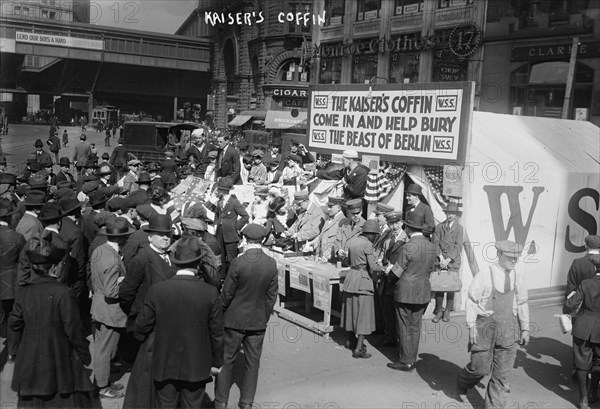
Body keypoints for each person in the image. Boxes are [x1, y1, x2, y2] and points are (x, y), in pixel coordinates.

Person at [132, 236, 224, 409]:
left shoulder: (157, 291)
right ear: (198, 264)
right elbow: (217, 333)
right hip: (197, 365)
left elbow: (141, 325)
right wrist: (216, 362)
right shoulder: (210, 293)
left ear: (175, 264)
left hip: (163, 364)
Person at [8, 242, 96, 408]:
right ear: (55, 267)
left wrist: (13, 351)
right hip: (59, 358)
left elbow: (14, 323)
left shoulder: (25, 292)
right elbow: (72, 328)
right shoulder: (64, 292)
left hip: (30, 360)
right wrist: (84, 353)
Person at [457, 240, 530, 407]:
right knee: (480, 369)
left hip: (508, 330)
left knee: (502, 377)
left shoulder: (518, 276)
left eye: (516, 258)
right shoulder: (485, 274)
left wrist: (525, 328)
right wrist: (471, 326)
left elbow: (522, 302)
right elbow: (472, 301)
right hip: (484, 329)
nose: (513, 260)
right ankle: (463, 381)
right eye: (510, 257)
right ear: (499, 255)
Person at [215, 224, 278, 409]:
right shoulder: (271, 263)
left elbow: (226, 294)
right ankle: (247, 402)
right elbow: (271, 297)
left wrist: (220, 313)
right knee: (252, 363)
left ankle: (221, 401)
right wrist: (263, 317)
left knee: (226, 361)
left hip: (234, 319)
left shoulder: (238, 262)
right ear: (262, 240)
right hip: (257, 321)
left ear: (245, 239)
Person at [386, 210, 437, 372]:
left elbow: (396, 272)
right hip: (423, 291)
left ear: (408, 229)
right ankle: (411, 357)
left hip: (405, 292)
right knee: (415, 326)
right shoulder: (431, 247)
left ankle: (405, 360)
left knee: (404, 326)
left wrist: (388, 273)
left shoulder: (408, 247)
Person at [90, 218, 134, 399]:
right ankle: (101, 386)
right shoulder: (113, 260)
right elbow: (111, 291)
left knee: (106, 347)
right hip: (109, 310)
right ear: (122, 237)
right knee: (105, 350)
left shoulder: (100, 250)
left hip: (99, 306)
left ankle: (104, 381)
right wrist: (125, 282)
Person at [119, 214, 176, 319]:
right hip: (150, 320)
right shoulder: (141, 259)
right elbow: (126, 293)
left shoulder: (173, 256)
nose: (165, 238)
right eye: (160, 234)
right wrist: (139, 316)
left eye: (168, 234)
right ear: (150, 237)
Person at [341, 219, 383, 359]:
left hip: (351, 278)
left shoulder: (353, 241)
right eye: (375, 235)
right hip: (363, 281)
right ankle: (359, 348)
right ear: (371, 234)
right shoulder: (367, 244)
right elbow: (373, 266)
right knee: (364, 315)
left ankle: (349, 341)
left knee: (351, 311)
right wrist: (384, 267)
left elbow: (346, 260)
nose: (375, 237)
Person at [564, 254, 600, 409]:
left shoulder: (585, 283)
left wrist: (567, 307)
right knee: (598, 361)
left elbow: (571, 304)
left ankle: (583, 399)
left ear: (594, 268)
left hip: (583, 328)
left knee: (581, 364)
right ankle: (594, 392)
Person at [432, 203, 464, 323]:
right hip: (440, 261)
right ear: (445, 214)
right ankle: (439, 310)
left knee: (451, 287)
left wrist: (448, 260)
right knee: (439, 286)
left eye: (453, 214)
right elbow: (435, 243)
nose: (450, 215)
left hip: (452, 261)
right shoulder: (440, 227)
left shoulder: (459, 229)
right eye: (449, 213)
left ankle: (447, 311)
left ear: (456, 215)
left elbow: (458, 246)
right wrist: (440, 258)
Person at [211, 177, 249, 278]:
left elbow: (245, 216)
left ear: (223, 190)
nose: (217, 191)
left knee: (232, 258)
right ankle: (222, 277)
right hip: (220, 234)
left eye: (219, 189)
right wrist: (216, 224)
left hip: (231, 235)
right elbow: (217, 214)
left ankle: (234, 278)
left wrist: (236, 226)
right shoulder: (219, 201)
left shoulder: (234, 202)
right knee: (221, 257)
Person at [316, 149, 369, 217]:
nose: (342, 162)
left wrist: (345, 184)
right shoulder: (346, 170)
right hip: (346, 203)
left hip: (356, 206)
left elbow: (355, 191)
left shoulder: (361, 172)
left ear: (350, 160)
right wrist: (316, 174)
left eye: (344, 160)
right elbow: (333, 175)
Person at [0, 199, 25, 329]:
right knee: (11, 324)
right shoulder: (17, 237)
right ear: (9, 216)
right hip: (11, 285)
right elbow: (24, 262)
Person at [308, 196, 345, 263]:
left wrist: (328, 255)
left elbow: (339, 242)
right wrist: (317, 254)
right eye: (328, 206)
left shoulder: (343, 221)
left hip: (333, 261)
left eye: (331, 207)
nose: (328, 209)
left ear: (339, 208)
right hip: (322, 260)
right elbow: (322, 238)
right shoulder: (328, 220)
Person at [333, 198, 365, 266]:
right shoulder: (344, 225)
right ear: (349, 213)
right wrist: (339, 250)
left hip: (356, 265)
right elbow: (337, 240)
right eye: (353, 214)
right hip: (342, 263)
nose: (356, 216)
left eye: (358, 213)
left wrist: (351, 253)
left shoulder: (366, 227)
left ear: (361, 211)